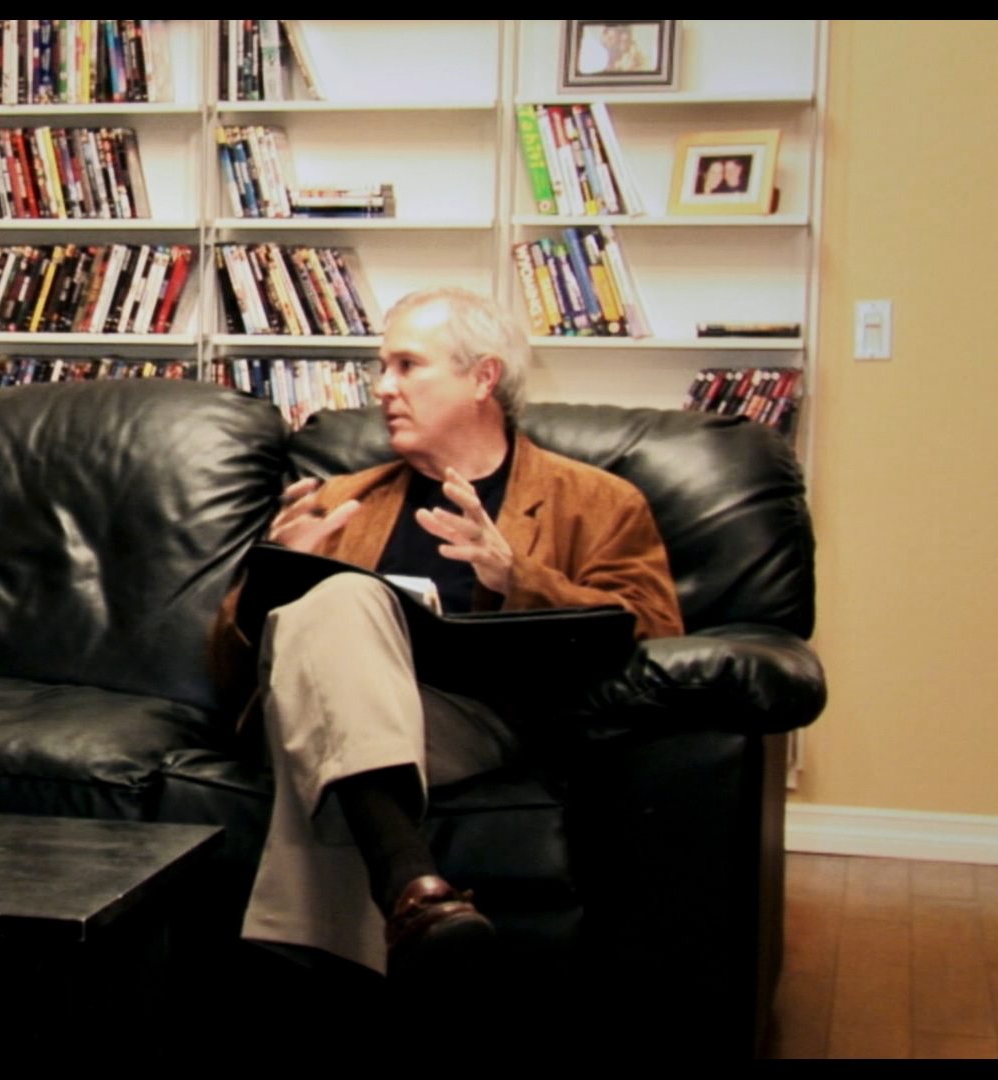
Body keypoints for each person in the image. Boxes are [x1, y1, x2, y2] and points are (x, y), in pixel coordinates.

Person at [210, 286, 683, 982]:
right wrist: (271, 579)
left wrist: (517, 576)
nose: (383, 388)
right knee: (343, 597)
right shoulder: (341, 500)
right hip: (313, 700)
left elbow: (654, 627)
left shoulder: (596, 501)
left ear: (483, 378)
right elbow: (226, 673)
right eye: (382, 368)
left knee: (330, 707)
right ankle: (415, 893)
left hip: (470, 720)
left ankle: (355, 944)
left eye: (407, 365)